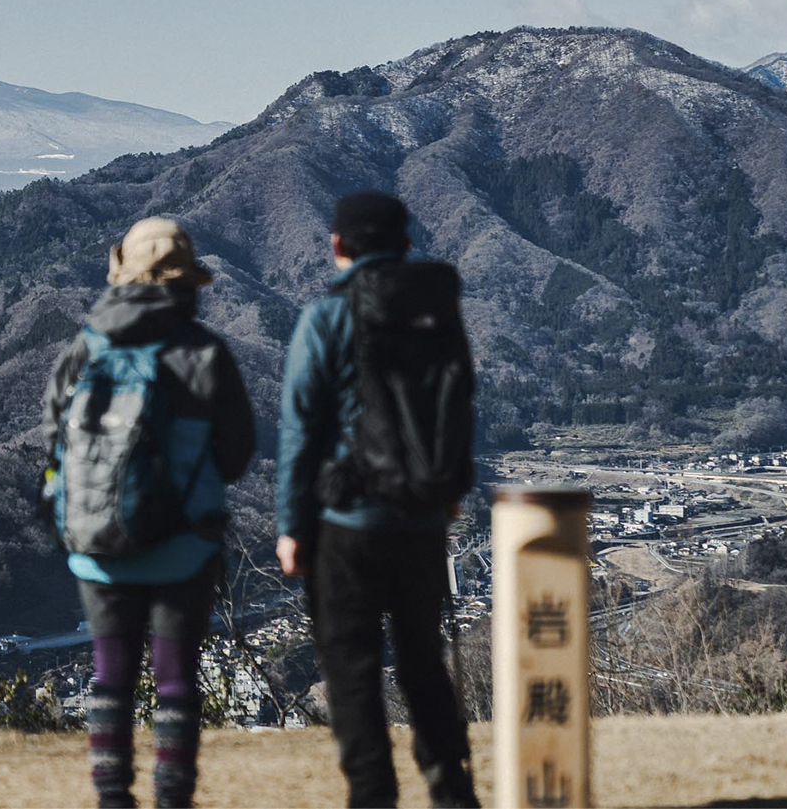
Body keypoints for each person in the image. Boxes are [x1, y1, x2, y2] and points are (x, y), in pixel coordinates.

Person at [42, 216, 255, 809]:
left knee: (110, 677)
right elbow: (236, 456)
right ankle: (172, 798)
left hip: (97, 548)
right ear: (188, 282)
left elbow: (53, 444)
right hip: (185, 545)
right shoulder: (205, 354)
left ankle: (112, 796)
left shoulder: (84, 347)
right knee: (177, 680)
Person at [275, 191, 478, 807]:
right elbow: (460, 405)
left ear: (336, 245)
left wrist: (292, 524)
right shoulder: (440, 312)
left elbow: (300, 429)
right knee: (423, 659)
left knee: (351, 668)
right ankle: (449, 784)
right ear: (406, 243)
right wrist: (447, 492)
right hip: (421, 518)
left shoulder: (326, 317)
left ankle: (372, 794)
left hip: (348, 521)